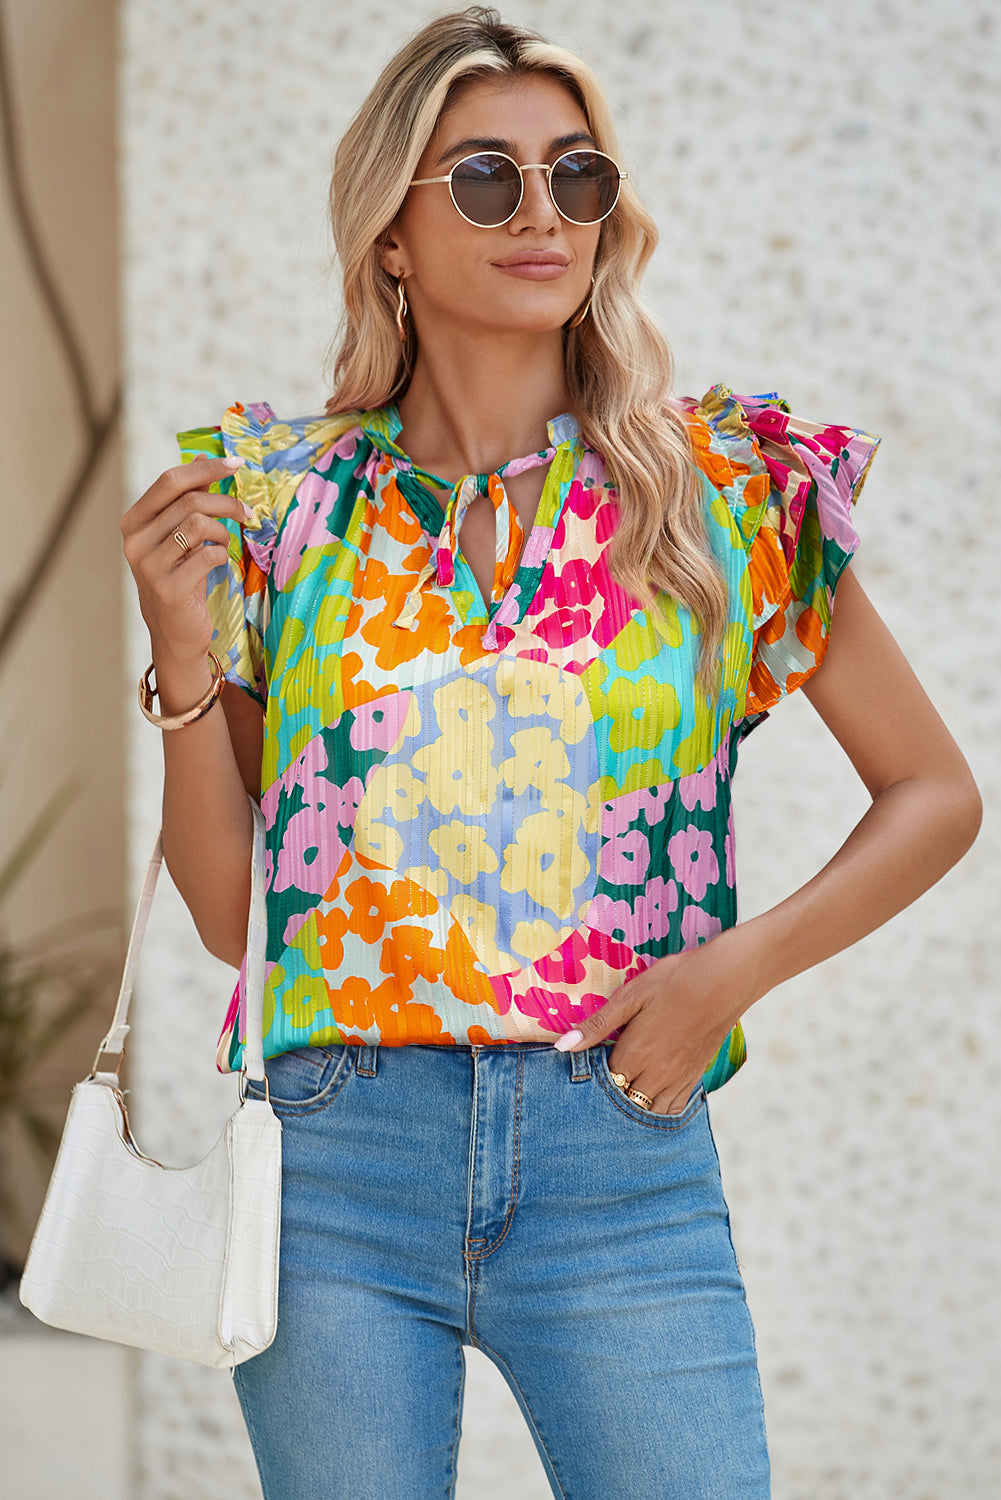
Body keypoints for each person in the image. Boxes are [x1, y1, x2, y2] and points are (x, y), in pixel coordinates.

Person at [120, 8, 981, 1497]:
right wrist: (187, 671)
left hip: (619, 1166)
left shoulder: (714, 494)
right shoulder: (281, 510)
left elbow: (934, 793)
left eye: (576, 177)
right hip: (338, 1159)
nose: (541, 213)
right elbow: (224, 914)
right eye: (483, 177)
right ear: (389, 230)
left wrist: (731, 969)